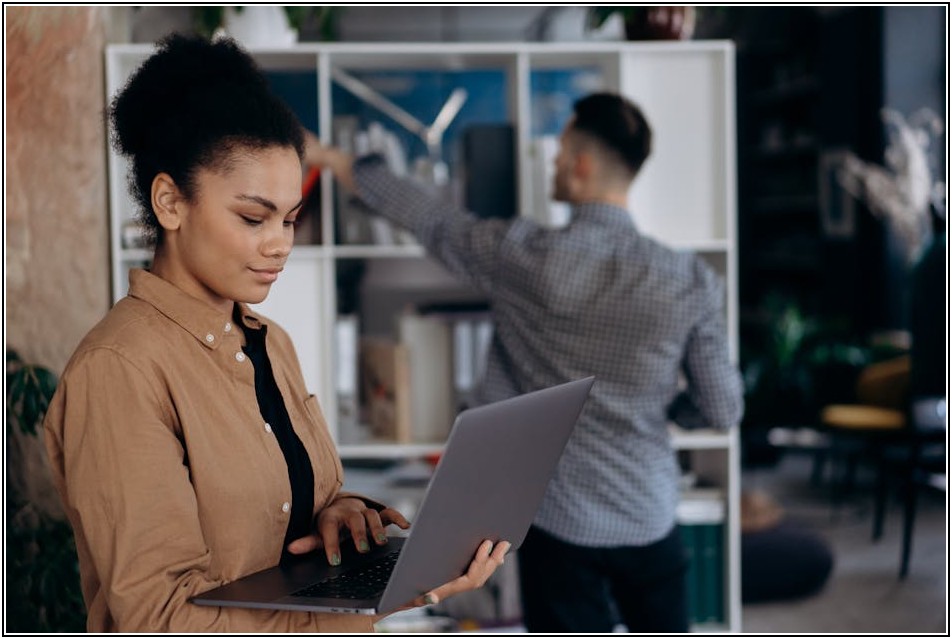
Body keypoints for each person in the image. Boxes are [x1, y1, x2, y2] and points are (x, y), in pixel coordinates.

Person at [42, 33, 509, 633]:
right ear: (169, 202)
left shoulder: (269, 341)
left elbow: (281, 514)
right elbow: (162, 620)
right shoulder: (120, 369)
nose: (280, 243)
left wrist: (339, 515)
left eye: (289, 219)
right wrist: (361, 610)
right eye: (252, 217)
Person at [307, 91, 744, 633]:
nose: (554, 163)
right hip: (648, 510)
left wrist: (333, 158)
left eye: (560, 153)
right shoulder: (691, 279)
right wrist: (669, 409)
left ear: (581, 165)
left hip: (561, 520)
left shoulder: (523, 256)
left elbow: (431, 219)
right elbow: (723, 409)